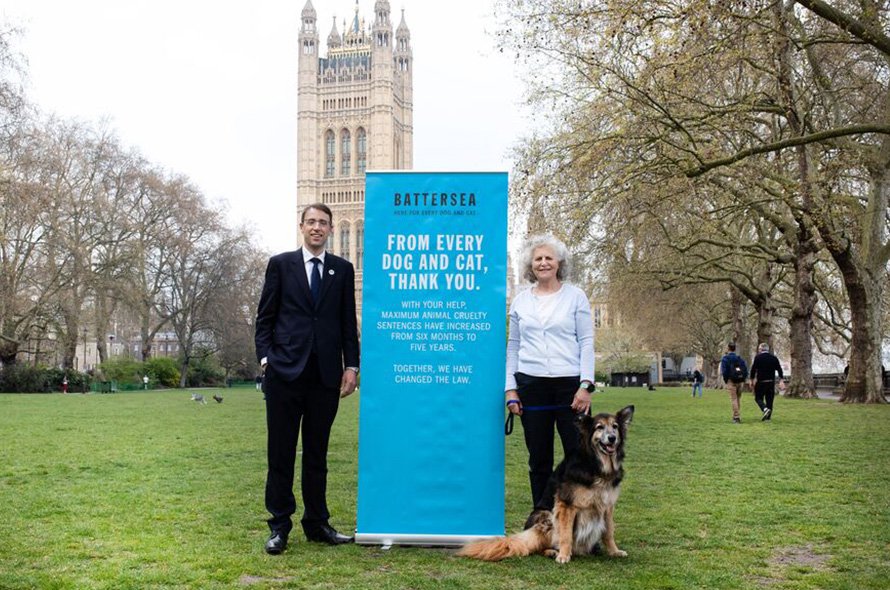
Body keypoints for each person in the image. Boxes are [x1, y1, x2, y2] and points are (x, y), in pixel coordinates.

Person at [254, 202, 360, 555]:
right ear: (302, 226)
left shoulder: (342, 270)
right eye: (311, 222)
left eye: (323, 223)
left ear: (330, 229)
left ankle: (317, 524)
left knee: (317, 454)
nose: (317, 227)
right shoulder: (280, 265)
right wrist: (267, 360)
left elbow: (348, 323)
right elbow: (265, 318)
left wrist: (352, 366)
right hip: (284, 374)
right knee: (280, 454)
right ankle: (279, 526)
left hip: (324, 376)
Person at [504, 234, 595, 513]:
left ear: (559, 263)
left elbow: (586, 342)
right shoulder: (520, 302)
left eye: (548, 258)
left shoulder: (576, 297)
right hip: (532, 386)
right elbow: (513, 346)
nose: (543, 263)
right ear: (530, 265)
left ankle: (579, 521)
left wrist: (586, 385)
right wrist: (510, 389)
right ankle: (542, 519)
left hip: (570, 387)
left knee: (579, 457)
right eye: (538, 259)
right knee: (539, 459)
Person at [749, 342, 784, 421]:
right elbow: (779, 369)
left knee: (758, 398)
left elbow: (753, 369)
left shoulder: (758, 358)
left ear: (761, 349)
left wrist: (751, 379)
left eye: (759, 349)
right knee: (769, 400)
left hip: (761, 382)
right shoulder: (773, 358)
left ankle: (764, 409)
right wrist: (781, 380)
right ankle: (768, 418)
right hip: (771, 382)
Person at [720, 343, 748, 423]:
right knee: (738, 399)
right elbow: (745, 370)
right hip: (740, 380)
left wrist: (726, 380)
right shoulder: (739, 358)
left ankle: (736, 417)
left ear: (728, 348)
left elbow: (724, 371)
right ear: (734, 349)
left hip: (731, 380)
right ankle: (736, 415)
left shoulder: (725, 359)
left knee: (734, 399)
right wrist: (743, 378)